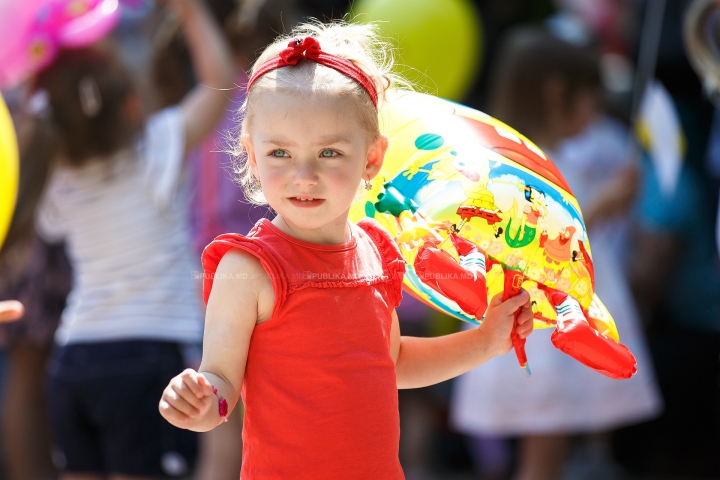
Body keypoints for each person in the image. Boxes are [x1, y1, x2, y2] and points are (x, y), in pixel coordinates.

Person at [158, 21, 535, 479]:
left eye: (330, 153)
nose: (304, 174)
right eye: (279, 153)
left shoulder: (377, 253)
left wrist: (484, 341)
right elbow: (221, 381)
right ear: (253, 158)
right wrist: (201, 401)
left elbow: (390, 362)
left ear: (372, 158)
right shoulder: (250, 267)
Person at [28, 0, 234, 478]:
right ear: (131, 103)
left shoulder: (58, 176)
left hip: (73, 360)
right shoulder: (157, 148)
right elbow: (217, 80)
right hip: (148, 360)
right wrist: (189, 12)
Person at [449, 27, 662, 480]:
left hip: (546, 326)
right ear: (556, 93)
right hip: (543, 329)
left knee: (550, 449)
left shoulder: (527, 156)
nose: (595, 112)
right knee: (543, 455)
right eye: (590, 99)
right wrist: (607, 202)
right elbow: (543, 238)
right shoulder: (525, 164)